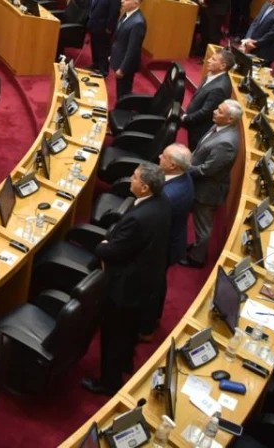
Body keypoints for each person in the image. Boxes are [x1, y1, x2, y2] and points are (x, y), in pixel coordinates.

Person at [80, 162, 170, 395]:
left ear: (145, 187)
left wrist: (102, 246)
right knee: (129, 330)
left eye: (135, 177)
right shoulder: (162, 202)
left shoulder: (140, 218)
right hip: (146, 280)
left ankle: (108, 382)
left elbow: (113, 251)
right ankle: (126, 362)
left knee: (113, 334)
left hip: (125, 288)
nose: (131, 179)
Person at [181, 99, 243, 267]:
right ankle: (196, 249)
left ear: (230, 119)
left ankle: (197, 258)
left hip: (208, 190)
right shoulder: (220, 126)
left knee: (203, 227)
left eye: (220, 111)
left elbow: (207, 170)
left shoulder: (226, 143)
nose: (215, 111)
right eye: (217, 108)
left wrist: (184, 168)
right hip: (201, 184)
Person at [182, 49, 233, 149]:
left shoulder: (220, 88)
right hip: (194, 122)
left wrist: (186, 118)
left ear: (223, 66)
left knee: (192, 151)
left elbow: (206, 112)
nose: (208, 60)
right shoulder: (212, 74)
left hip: (199, 129)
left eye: (213, 59)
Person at [159, 145, 196, 267]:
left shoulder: (167, 196)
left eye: (163, 156)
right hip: (175, 235)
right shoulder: (184, 175)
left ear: (172, 166)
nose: (159, 156)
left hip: (163, 246)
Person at [86, 0, 121, 75]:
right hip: (95, 22)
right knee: (95, 46)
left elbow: (114, 12)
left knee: (103, 49)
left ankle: (103, 71)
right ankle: (95, 64)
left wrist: (109, 28)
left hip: (104, 26)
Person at [111, 0, 147, 97]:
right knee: (119, 90)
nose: (122, 1)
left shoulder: (138, 23)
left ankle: (122, 112)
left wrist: (123, 69)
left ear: (135, 3)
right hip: (119, 57)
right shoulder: (127, 14)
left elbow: (133, 49)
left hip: (126, 66)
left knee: (123, 92)